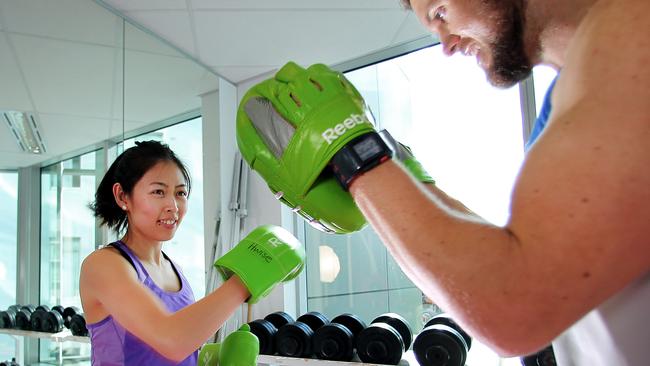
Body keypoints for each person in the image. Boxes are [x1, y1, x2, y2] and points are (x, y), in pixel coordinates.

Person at [234, 0, 649, 365]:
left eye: (440, 13)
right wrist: (409, 182)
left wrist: (354, 153)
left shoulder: (630, 28)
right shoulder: (577, 88)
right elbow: (528, 264)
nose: (447, 44)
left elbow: (512, 308)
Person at [80, 140, 304, 365]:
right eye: (158, 191)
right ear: (122, 196)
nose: (173, 206)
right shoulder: (103, 265)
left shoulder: (174, 269)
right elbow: (172, 340)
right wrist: (247, 279)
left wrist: (210, 358)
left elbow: (176, 347)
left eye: (180, 193)